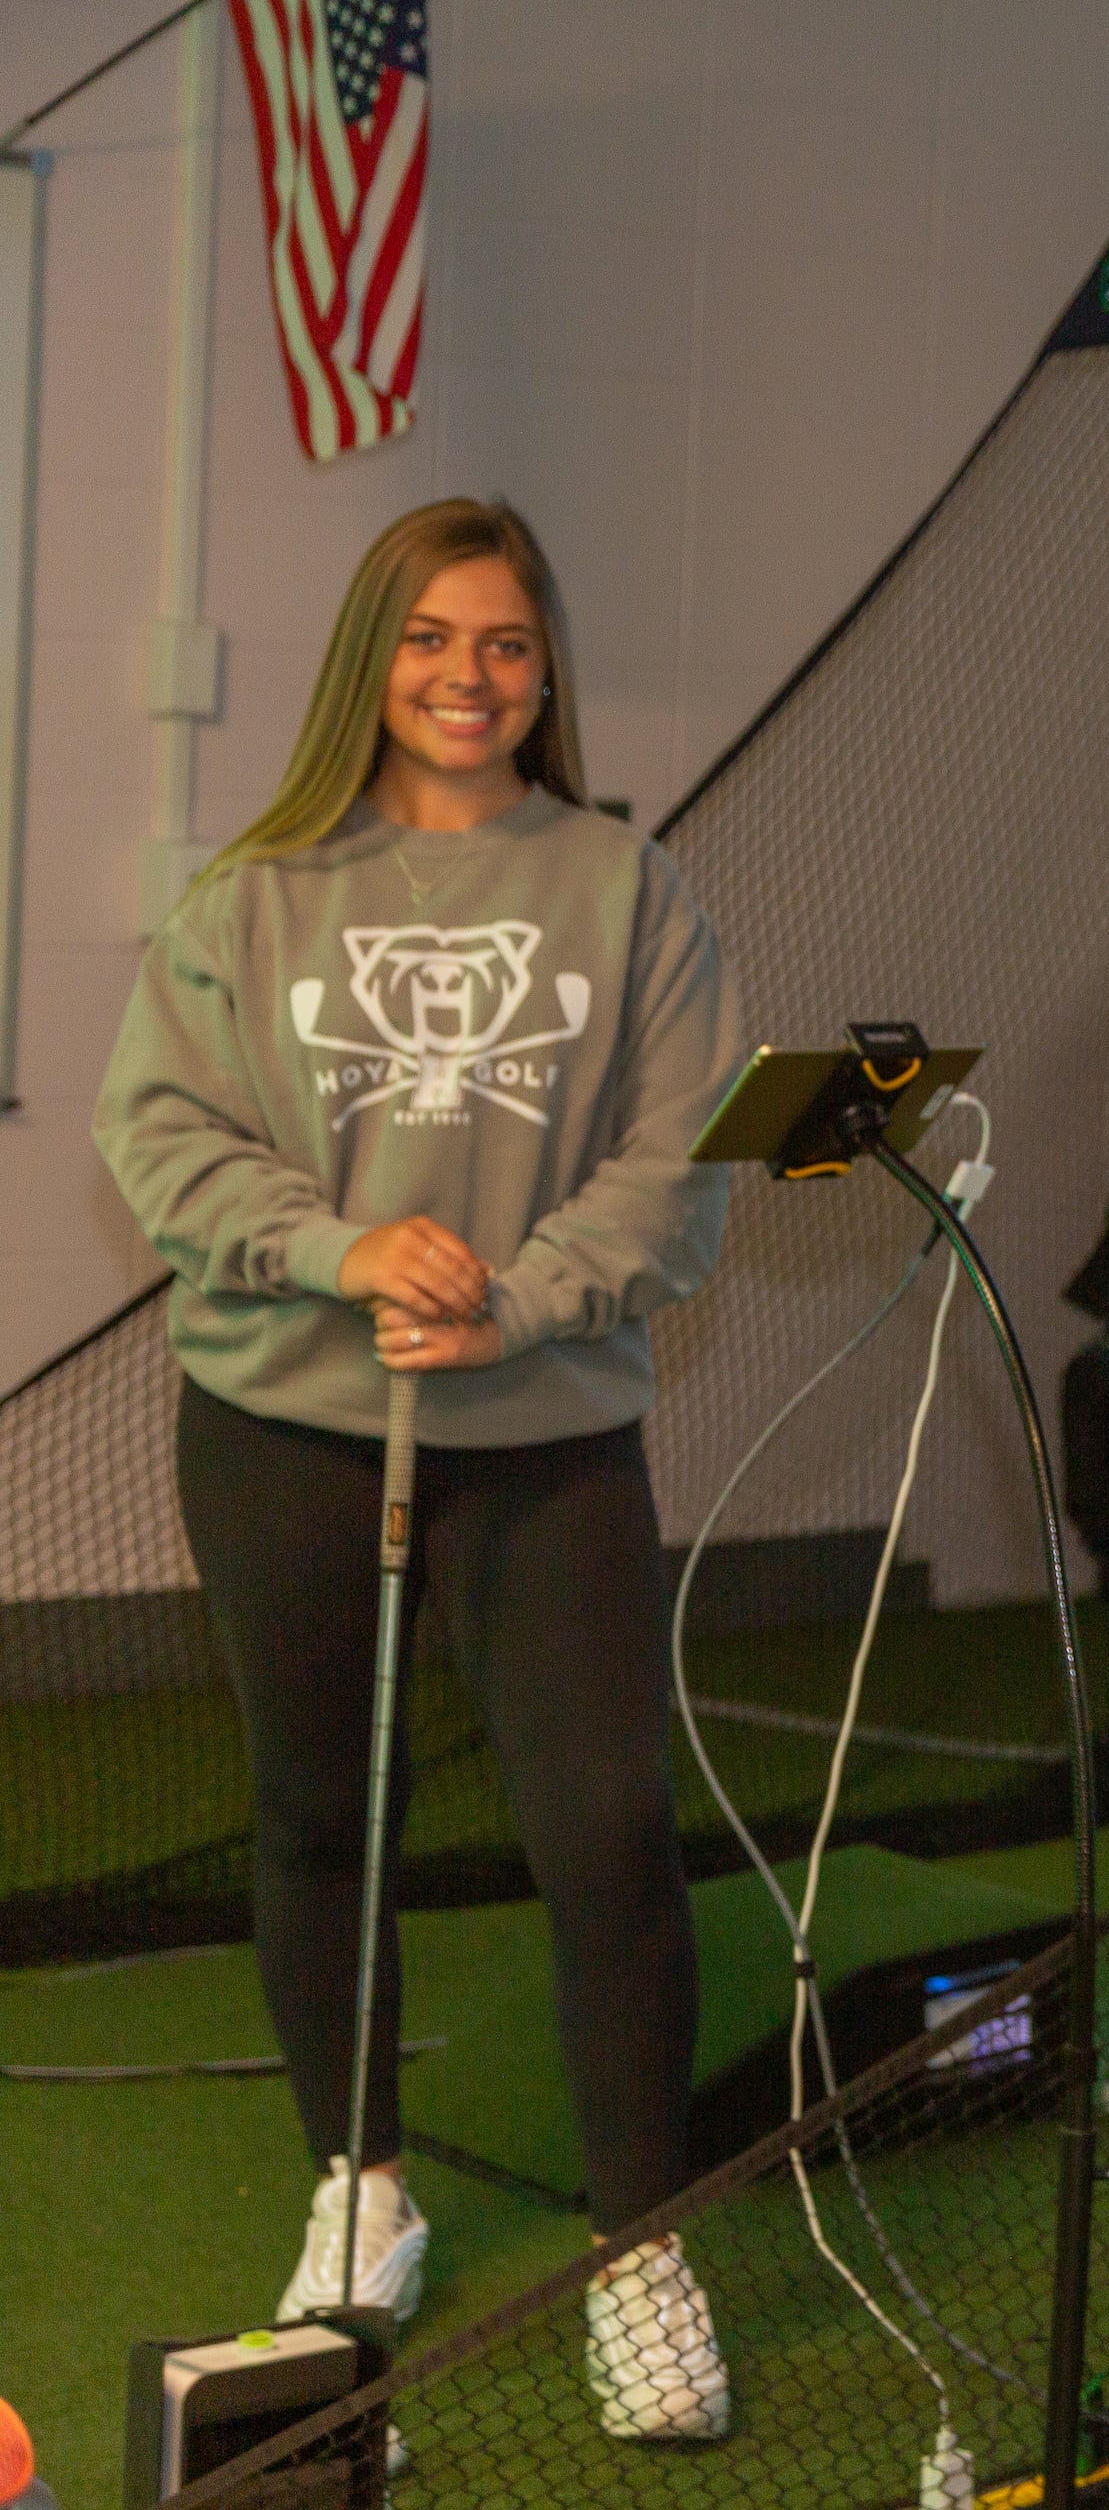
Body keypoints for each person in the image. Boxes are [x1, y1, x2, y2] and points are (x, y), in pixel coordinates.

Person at [95, 498, 745, 2440]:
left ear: (547, 675)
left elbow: (684, 1154)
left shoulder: (628, 884)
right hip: (286, 1432)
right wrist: (343, 1245)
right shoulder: (258, 887)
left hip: (544, 1446)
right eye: (432, 641)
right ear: (372, 658)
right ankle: (361, 2186)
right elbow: (160, 1132)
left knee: (609, 1831)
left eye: (509, 647)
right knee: (318, 1820)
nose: (470, 678)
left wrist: (525, 1295)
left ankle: (645, 2252)